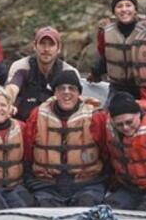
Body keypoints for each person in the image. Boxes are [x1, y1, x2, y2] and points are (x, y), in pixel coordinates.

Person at [23, 70, 108, 207]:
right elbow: (27, 151)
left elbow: (106, 152)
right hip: (46, 186)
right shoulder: (37, 115)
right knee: (44, 207)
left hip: (87, 184)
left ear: (79, 93)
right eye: (61, 88)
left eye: (71, 88)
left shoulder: (96, 117)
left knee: (87, 203)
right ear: (55, 93)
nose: (66, 92)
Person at [4, 26, 79, 121]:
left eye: (51, 44)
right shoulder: (21, 66)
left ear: (59, 48)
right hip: (24, 122)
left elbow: (76, 101)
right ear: (34, 46)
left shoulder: (69, 71)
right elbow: (11, 89)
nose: (46, 49)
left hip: (56, 124)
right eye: (42, 44)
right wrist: (6, 103)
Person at [89, 0, 146, 101]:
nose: (124, 9)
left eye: (128, 5)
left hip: (142, 88)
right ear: (114, 12)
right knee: (107, 115)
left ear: (135, 10)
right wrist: (95, 73)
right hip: (117, 87)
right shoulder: (105, 32)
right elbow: (106, 58)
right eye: (119, 6)